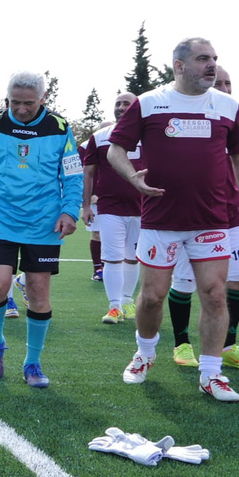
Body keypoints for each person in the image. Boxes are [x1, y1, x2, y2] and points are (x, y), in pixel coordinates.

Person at [108, 38, 239, 403]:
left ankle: (211, 374)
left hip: (212, 219)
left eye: (214, 58)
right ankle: (145, 353)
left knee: (215, 294)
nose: (211, 65)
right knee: (152, 297)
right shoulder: (149, 103)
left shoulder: (228, 106)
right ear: (180, 66)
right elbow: (115, 150)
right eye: (203, 59)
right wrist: (133, 178)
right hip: (160, 218)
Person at [0, 71, 82, 389]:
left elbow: (73, 175)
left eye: (29, 104)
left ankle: (32, 362)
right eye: (15, 103)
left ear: (43, 99)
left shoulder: (59, 128)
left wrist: (69, 211)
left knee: (38, 291)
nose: (21, 109)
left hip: (43, 222)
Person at [165, 65, 239, 370]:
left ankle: (227, 345)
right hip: (194, 216)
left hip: (233, 216)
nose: (224, 88)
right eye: (219, 83)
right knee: (184, 281)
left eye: (228, 83)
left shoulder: (234, 122)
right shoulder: (191, 122)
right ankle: (182, 344)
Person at [82, 93, 142, 324]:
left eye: (127, 103)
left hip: (142, 208)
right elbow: (88, 172)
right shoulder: (99, 137)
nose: (121, 107)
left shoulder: (148, 134)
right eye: (118, 103)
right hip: (109, 208)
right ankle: (114, 307)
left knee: (133, 258)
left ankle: (127, 302)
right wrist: (86, 205)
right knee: (113, 258)